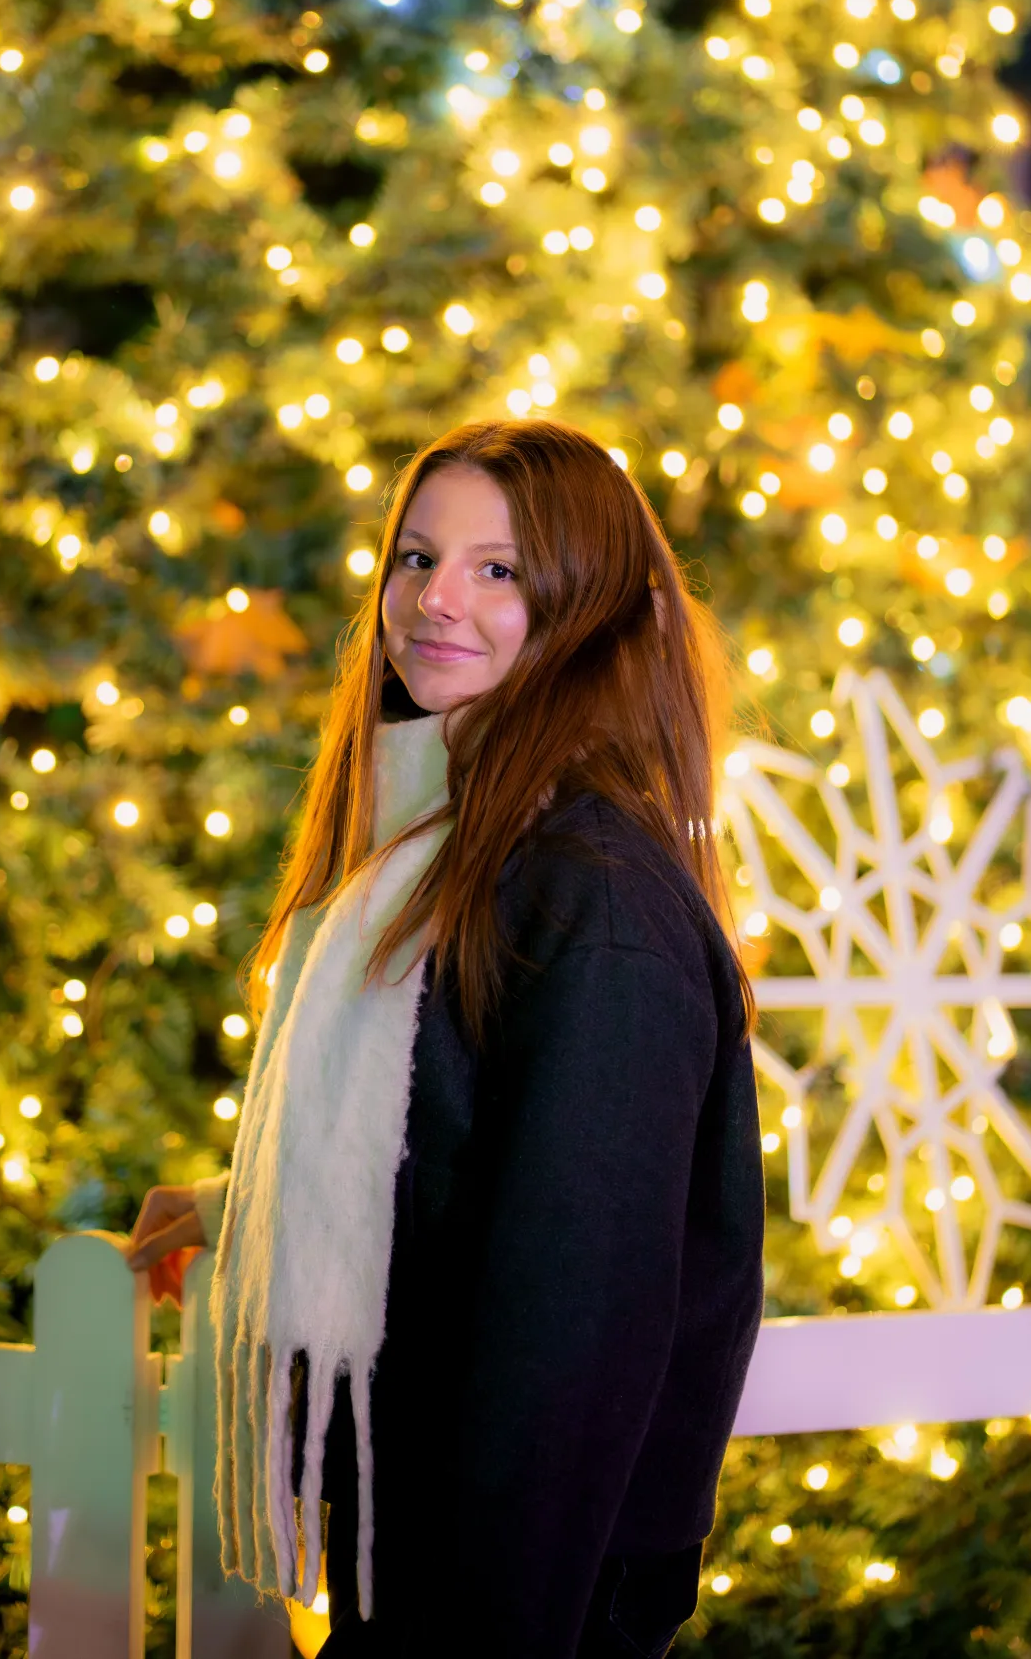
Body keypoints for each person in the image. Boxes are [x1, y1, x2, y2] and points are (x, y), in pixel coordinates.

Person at [125, 419, 764, 1659]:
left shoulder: (591, 891)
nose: (434, 602)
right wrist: (244, 1200)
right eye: (416, 559)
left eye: (500, 570)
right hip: (417, 1535)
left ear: (585, 606)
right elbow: (456, 1146)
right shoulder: (444, 837)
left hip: (519, 1574)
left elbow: (576, 1305)